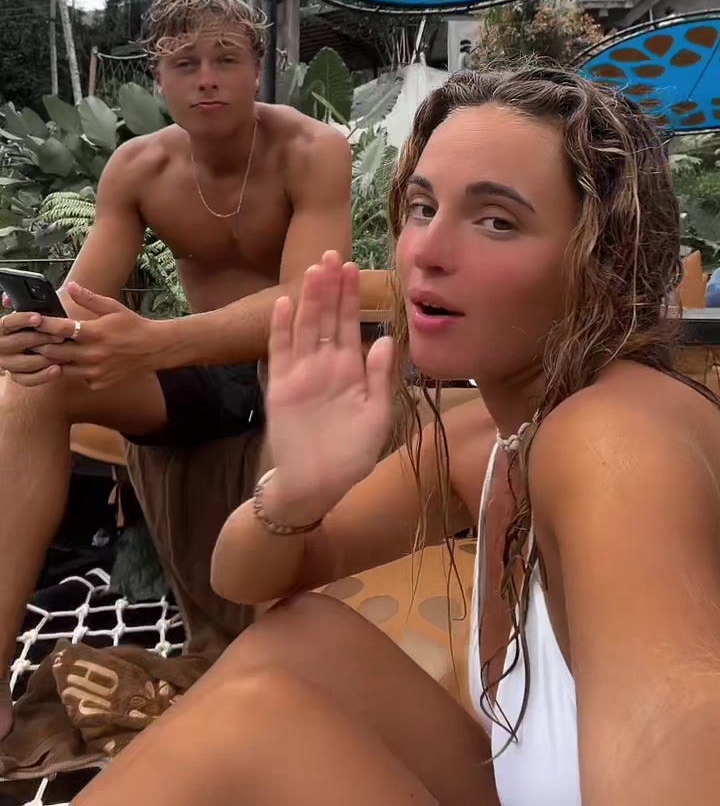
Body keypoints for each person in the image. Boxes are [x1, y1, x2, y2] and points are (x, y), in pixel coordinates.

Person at [74, 63, 720, 806]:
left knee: (250, 722)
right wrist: (298, 490)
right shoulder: (489, 435)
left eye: (496, 221)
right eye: (421, 207)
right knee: (301, 636)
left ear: (607, 260)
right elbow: (243, 580)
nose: (425, 253)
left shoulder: (614, 441)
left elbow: (674, 722)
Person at [0, 0, 352, 742]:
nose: (207, 79)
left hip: (292, 364)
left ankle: (288, 683)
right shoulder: (138, 169)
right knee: (32, 387)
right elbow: (82, 302)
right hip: (201, 377)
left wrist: (157, 342)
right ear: (158, 77)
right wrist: (36, 335)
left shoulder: (311, 151)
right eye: (185, 63)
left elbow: (308, 300)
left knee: (293, 363)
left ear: (257, 67)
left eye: (226, 59)